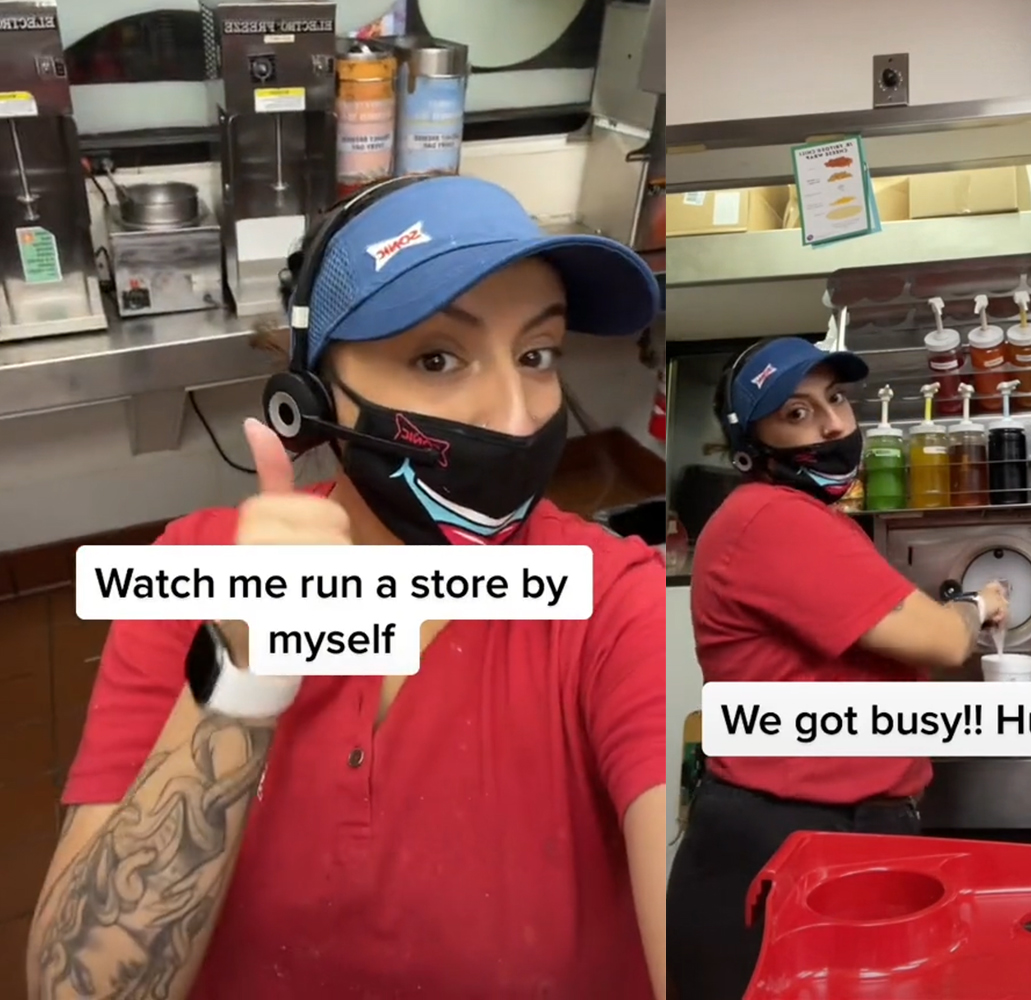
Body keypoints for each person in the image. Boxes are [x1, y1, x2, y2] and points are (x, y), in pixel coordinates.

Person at [25, 176, 671, 1000]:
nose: (516, 416)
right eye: (437, 358)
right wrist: (241, 673)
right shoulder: (196, 575)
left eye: (537, 356)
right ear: (311, 400)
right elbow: (77, 988)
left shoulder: (613, 600)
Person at [664, 336, 1010, 999]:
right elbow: (938, 640)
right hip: (793, 837)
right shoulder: (773, 518)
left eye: (837, 400)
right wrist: (977, 605)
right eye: (796, 413)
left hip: (825, 830)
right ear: (750, 442)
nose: (833, 425)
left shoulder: (802, 521)